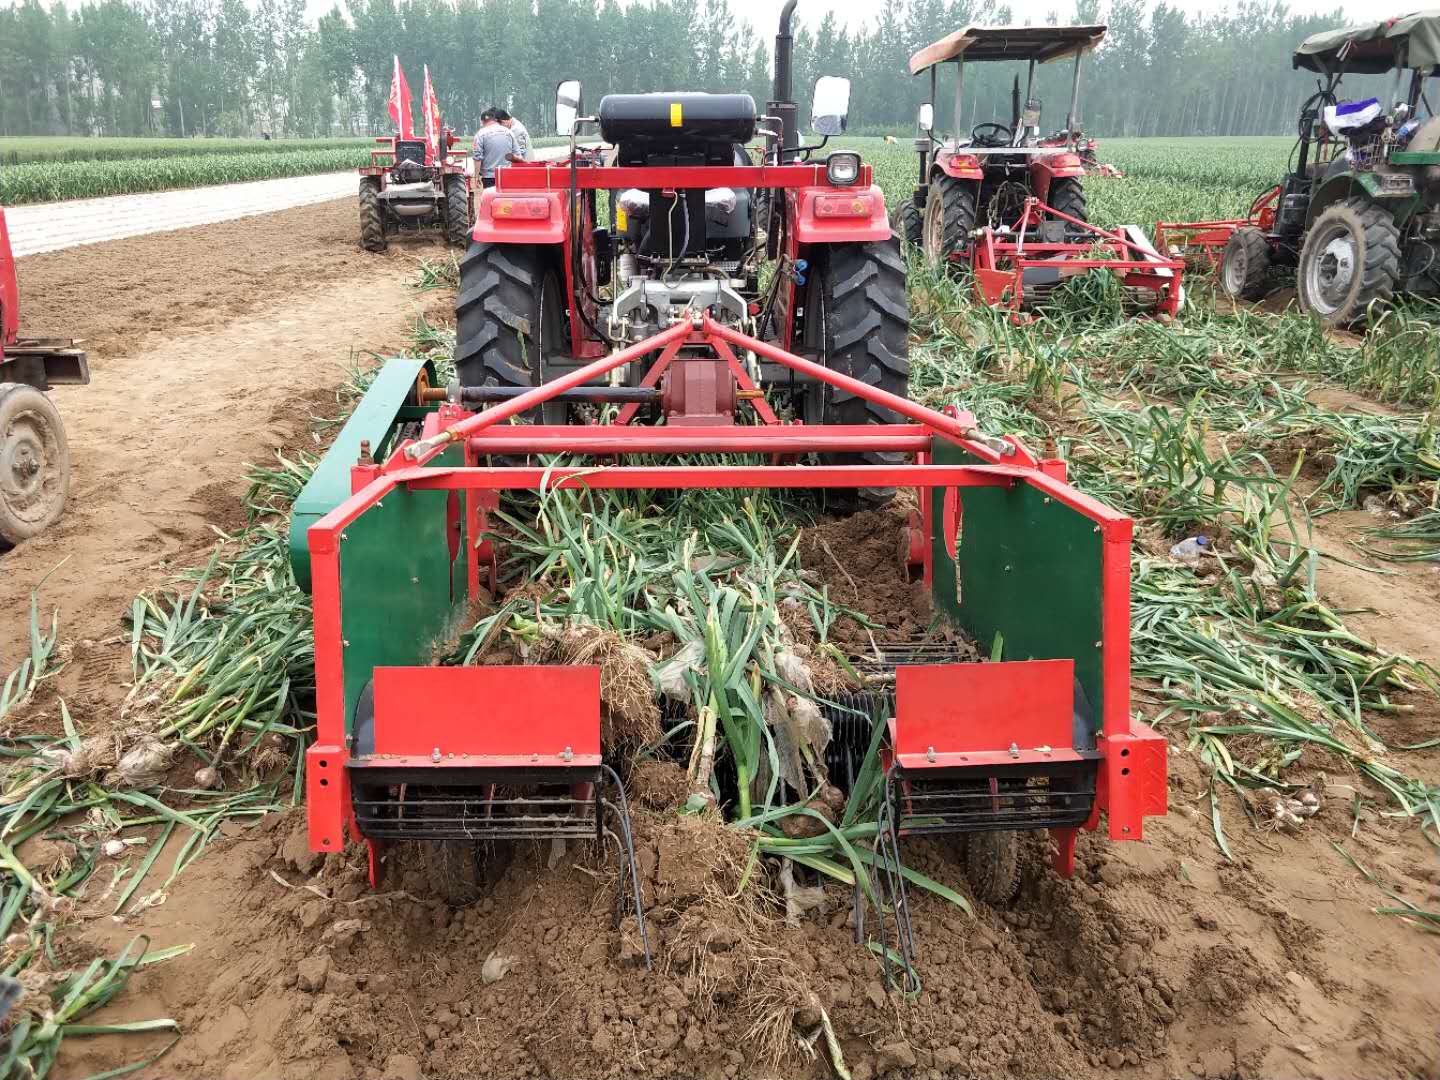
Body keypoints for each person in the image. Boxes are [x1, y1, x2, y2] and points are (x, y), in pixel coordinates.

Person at [471, 108, 521, 188]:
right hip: (507, 174)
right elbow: (518, 155)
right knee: (507, 199)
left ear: (482, 122)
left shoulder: (480, 134)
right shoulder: (509, 132)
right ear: (495, 120)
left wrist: (476, 176)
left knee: (492, 199)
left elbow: (477, 158)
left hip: (489, 178)